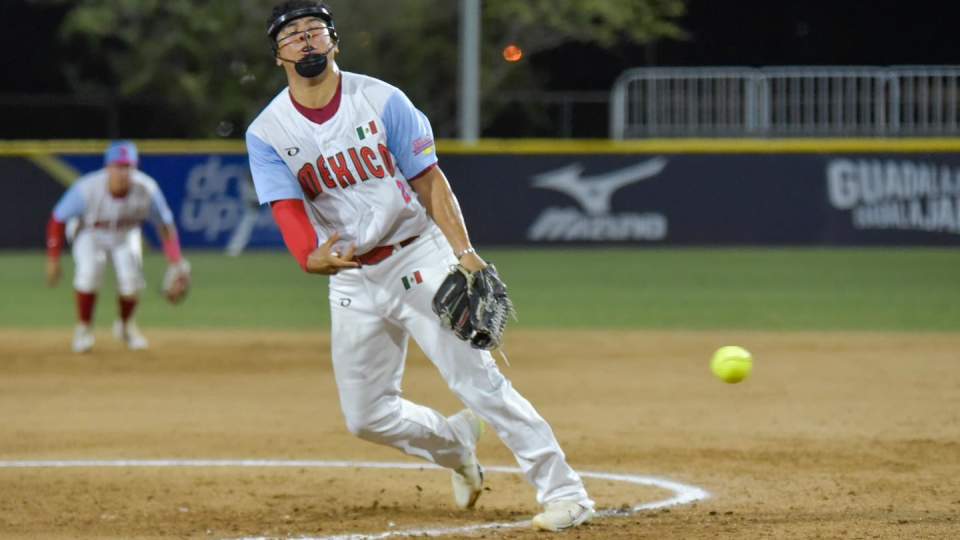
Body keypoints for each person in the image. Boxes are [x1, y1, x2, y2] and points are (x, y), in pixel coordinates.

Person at [245, 1, 594, 532]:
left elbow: (429, 180)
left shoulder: (381, 100)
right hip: (353, 274)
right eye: (292, 35)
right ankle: (454, 444)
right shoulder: (268, 132)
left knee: (480, 383)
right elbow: (289, 210)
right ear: (277, 55)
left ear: (335, 41)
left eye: (315, 31)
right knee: (367, 416)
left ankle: (566, 492)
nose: (306, 41)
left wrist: (464, 252)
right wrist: (308, 257)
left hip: (417, 254)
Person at [46, 141, 187, 353]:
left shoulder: (147, 189)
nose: (123, 172)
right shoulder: (87, 188)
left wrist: (176, 261)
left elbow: (165, 225)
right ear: (108, 168)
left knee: (132, 281)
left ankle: (125, 327)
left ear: (135, 168)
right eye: (118, 166)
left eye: (128, 167)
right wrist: (53, 258)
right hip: (89, 232)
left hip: (125, 233)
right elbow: (57, 219)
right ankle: (83, 330)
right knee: (90, 272)